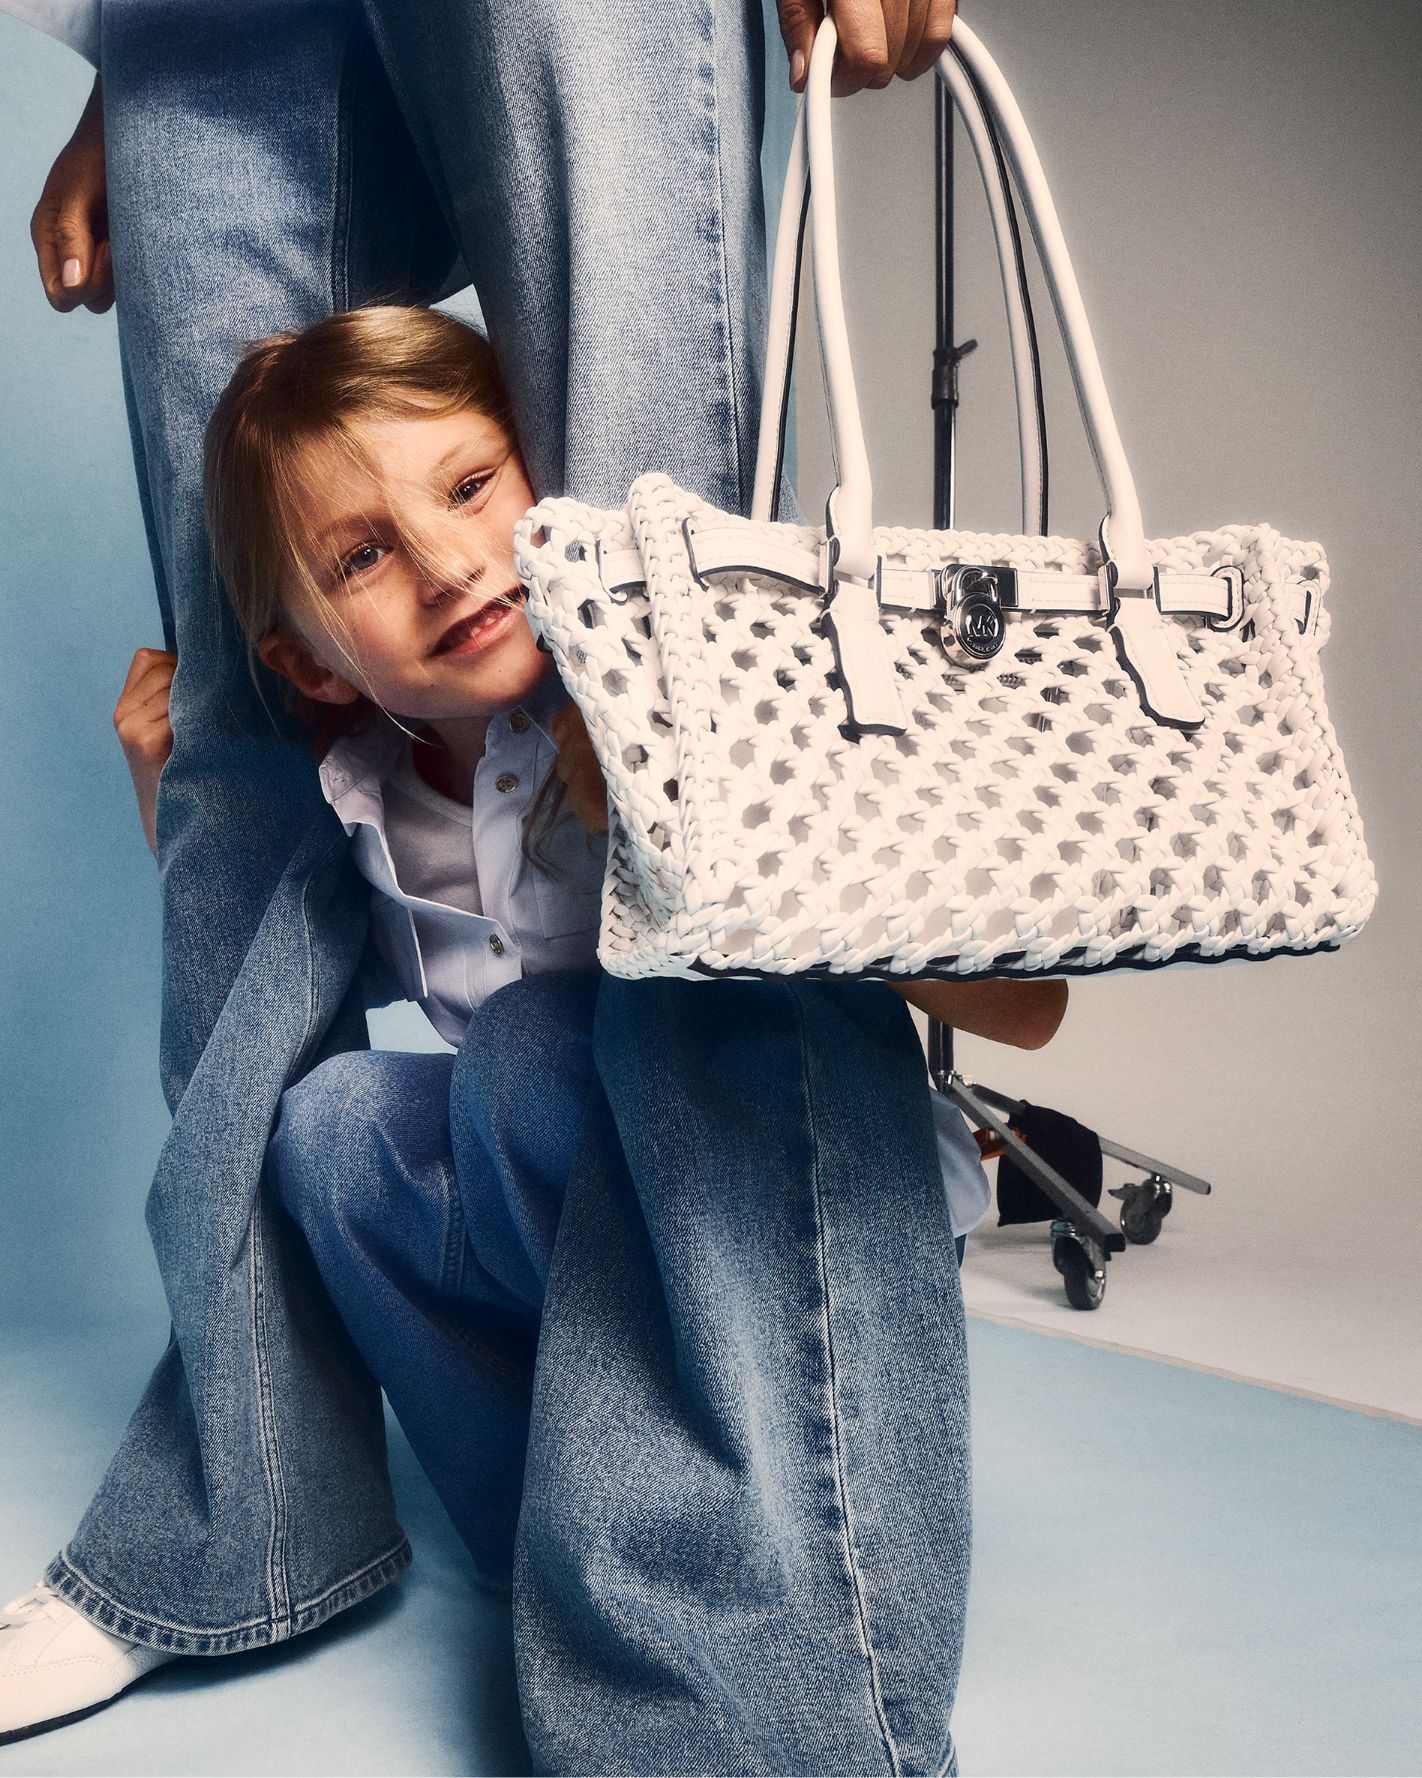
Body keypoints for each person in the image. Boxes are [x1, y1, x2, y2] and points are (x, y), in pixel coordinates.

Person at [0, 2, 1057, 1771]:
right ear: (337, 666)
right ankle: (281, 1518)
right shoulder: (358, 752)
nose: (450, 563)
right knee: (322, 1060)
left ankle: (736, 1674)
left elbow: (1020, 1000)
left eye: (478, 489)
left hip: (653, 1073)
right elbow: (270, 810)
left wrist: (733, 829)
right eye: (374, 560)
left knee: (653, 587)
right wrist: (133, 53)